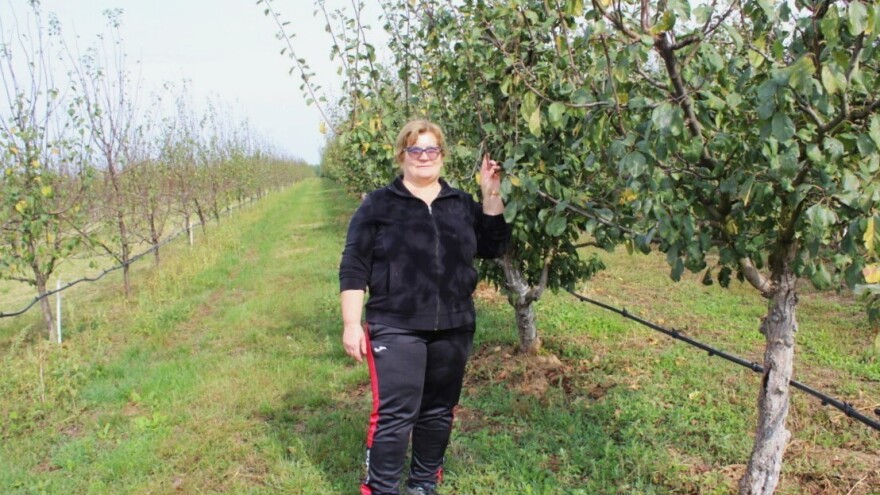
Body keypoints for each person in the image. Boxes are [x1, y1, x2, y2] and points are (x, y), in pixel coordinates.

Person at [339, 119, 511, 495]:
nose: (423, 157)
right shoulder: (378, 205)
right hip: (395, 326)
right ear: (402, 156)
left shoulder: (461, 204)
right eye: (415, 150)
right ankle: (381, 488)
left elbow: (494, 246)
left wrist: (490, 193)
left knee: (437, 412)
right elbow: (354, 265)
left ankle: (422, 485)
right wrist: (352, 323)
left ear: (442, 156)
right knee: (395, 415)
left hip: (453, 326)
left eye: (431, 149)